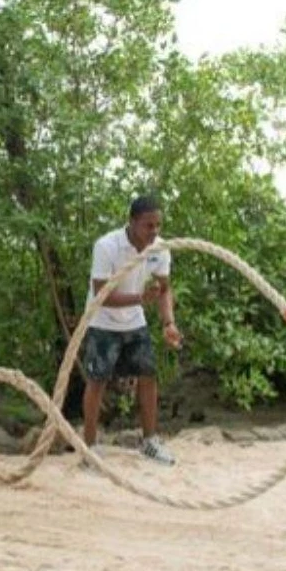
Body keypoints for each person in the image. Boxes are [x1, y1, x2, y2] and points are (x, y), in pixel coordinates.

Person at [80, 196, 183, 466]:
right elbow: (101, 295)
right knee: (97, 381)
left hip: (134, 321)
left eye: (158, 225)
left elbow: (164, 289)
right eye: (149, 225)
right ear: (133, 222)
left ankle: (149, 442)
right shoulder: (107, 246)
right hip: (101, 321)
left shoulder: (160, 248)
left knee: (148, 375)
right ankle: (89, 448)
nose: (155, 231)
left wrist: (168, 323)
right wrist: (140, 298)